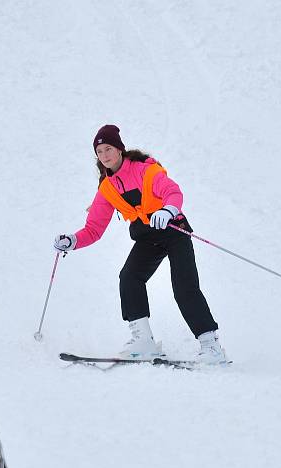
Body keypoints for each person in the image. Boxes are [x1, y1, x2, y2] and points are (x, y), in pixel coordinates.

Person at [53, 124, 227, 364]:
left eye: (109, 149)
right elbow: (93, 229)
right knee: (129, 277)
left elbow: (173, 192)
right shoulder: (107, 187)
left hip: (174, 230)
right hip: (148, 237)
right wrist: (72, 241)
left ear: (120, 150)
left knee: (184, 288)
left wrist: (168, 210)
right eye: (100, 151)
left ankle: (212, 348)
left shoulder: (145, 170)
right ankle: (143, 341)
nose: (105, 155)